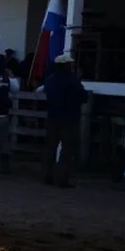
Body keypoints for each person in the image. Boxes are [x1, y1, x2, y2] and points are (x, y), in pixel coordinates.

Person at [38, 54, 88, 187]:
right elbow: (84, 97)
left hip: (53, 117)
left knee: (50, 148)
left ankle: (47, 176)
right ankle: (62, 178)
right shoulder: (72, 80)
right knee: (67, 149)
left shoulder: (50, 79)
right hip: (69, 119)